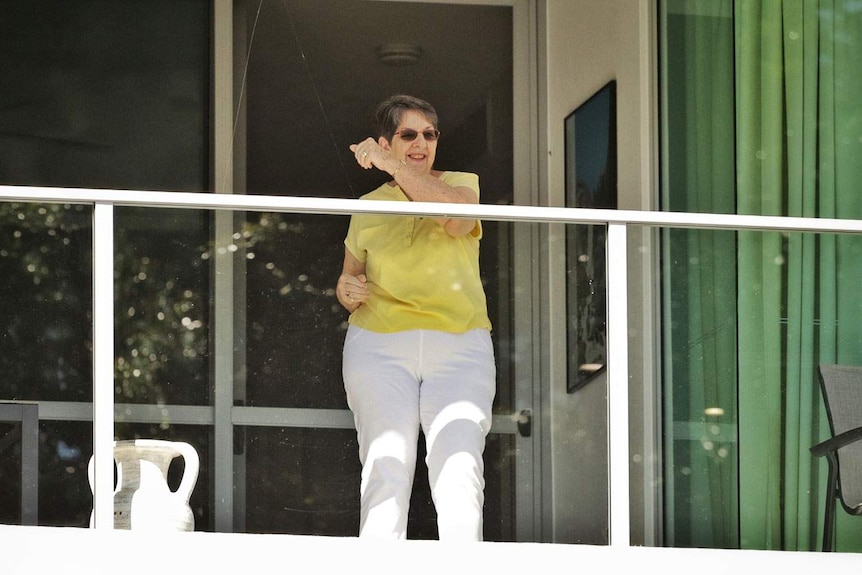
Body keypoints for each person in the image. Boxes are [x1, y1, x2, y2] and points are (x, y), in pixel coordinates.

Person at [337, 95, 496, 541]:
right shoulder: (368, 204)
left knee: (460, 466)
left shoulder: (462, 184)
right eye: (408, 135)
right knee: (386, 465)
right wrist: (346, 290)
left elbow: (456, 219)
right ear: (388, 140)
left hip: (460, 345)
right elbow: (351, 279)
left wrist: (395, 166)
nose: (421, 142)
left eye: (429, 134)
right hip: (379, 345)